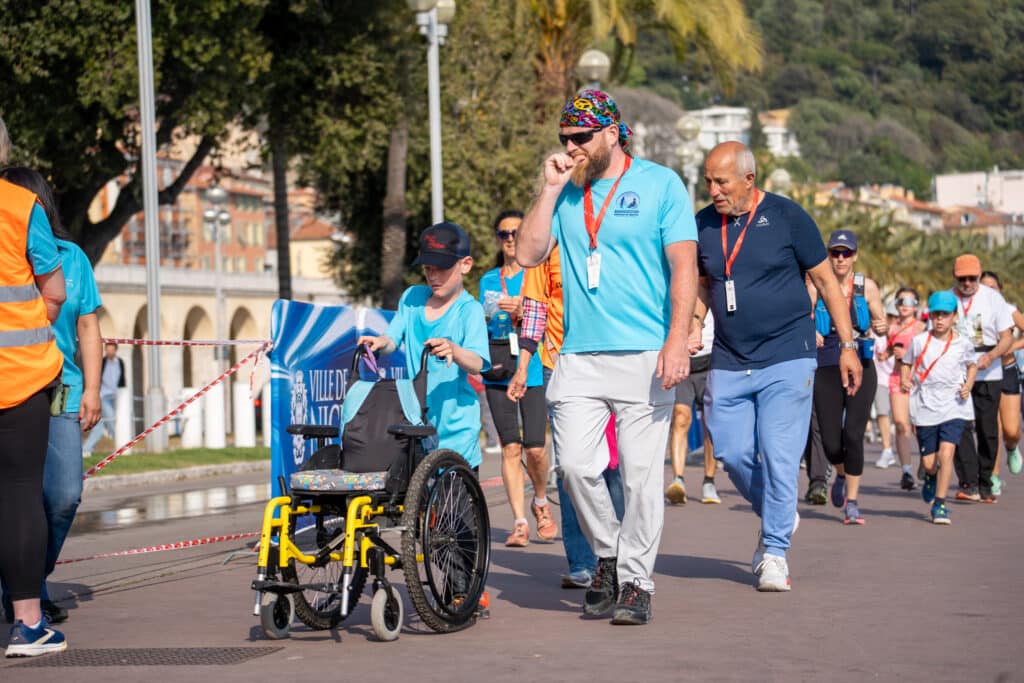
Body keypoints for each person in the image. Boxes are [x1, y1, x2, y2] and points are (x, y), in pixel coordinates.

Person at [517, 89, 698, 625]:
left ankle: (636, 582)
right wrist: (548, 190)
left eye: (581, 137)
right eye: (565, 138)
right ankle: (609, 556)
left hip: (646, 351)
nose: (571, 146)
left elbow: (684, 267)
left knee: (642, 477)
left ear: (612, 134)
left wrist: (676, 339)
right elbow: (528, 252)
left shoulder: (662, 184)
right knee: (573, 468)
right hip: (579, 353)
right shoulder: (567, 194)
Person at [693, 141, 862, 592]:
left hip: (789, 353)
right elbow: (704, 285)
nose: (713, 190)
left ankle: (774, 553)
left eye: (721, 181)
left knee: (781, 455)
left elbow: (826, 281)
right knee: (730, 450)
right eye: (708, 180)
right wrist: (693, 323)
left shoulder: (789, 217)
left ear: (749, 179)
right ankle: (780, 512)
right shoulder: (704, 225)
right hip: (729, 357)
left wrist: (847, 345)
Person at [0, 168, 101, 627]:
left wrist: (94, 389)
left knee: (62, 495)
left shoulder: (73, 258)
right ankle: (26, 595)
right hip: (16, 384)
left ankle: (28, 577)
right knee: (19, 492)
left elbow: (87, 326)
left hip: (61, 388)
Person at [508, 243, 625, 588]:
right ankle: (583, 563)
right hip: (558, 364)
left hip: (612, 362)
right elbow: (534, 309)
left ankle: (619, 556)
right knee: (571, 466)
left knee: (611, 465)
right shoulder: (545, 243)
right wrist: (523, 366)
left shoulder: (609, 234)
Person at [0, 157, 69, 656]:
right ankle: (27, 624)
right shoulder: (21, 206)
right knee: (20, 494)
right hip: (17, 375)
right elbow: (54, 292)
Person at [357, 222, 490, 471]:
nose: (433, 276)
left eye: (442, 268)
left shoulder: (469, 310)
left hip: (457, 429)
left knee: (454, 506)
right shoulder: (412, 298)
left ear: (465, 265)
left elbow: (478, 363)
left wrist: (455, 349)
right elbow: (392, 338)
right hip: (417, 423)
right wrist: (379, 343)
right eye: (428, 268)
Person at [479, 210, 553, 546]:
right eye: (503, 233)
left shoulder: (536, 274)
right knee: (511, 447)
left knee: (535, 449)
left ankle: (540, 501)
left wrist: (524, 312)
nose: (509, 239)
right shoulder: (488, 280)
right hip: (497, 365)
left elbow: (549, 316)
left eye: (515, 233)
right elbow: (484, 319)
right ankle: (520, 522)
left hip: (532, 362)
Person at [810, 230, 887, 524]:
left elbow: (881, 324)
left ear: (854, 255)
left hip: (861, 365)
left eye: (846, 253)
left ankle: (852, 502)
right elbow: (804, 316)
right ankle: (840, 473)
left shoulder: (866, 287)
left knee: (853, 434)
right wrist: (812, 330)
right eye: (835, 253)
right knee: (831, 441)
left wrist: (881, 327)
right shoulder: (816, 283)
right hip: (827, 364)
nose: (840, 259)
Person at [899, 291, 977, 524]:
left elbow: (972, 366)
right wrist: (905, 378)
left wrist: (969, 385)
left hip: (954, 405)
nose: (940, 319)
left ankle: (940, 504)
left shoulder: (963, 343)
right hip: (925, 407)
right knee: (930, 463)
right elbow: (906, 363)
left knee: (947, 453)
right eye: (936, 315)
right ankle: (930, 478)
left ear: (954, 316)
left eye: (945, 314)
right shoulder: (920, 341)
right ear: (930, 316)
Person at [949, 254, 1013, 503]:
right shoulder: (948, 297)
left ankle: (986, 481)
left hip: (988, 368)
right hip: (958, 370)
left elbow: (1007, 336)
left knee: (987, 430)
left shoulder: (993, 298)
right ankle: (968, 482)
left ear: (979, 275)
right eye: (962, 279)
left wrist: (992, 355)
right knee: (959, 426)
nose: (967, 283)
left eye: (972, 278)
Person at [665, 312, 720, 505]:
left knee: (710, 423)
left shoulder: (710, 282)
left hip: (710, 358)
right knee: (680, 417)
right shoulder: (674, 284)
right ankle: (678, 479)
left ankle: (709, 481)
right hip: (682, 360)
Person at [979, 271, 1024, 492]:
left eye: (992, 287)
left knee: (1011, 429)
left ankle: (1013, 447)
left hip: (1007, 370)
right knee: (991, 428)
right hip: (986, 373)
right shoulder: (975, 312)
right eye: (984, 287)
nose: (988, 292)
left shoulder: (1009, 310)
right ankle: (993, 477)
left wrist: (1010, 347)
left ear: (1000, 290)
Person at [878, 287, 926, 490]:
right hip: (897, 378)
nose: (904, 305)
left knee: (920, 427)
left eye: (909, 301)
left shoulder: (922, 328)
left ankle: (927, 462)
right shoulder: (892, 327)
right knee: (900, 423)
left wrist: (907, 353)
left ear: (916, 305)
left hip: (918, 380)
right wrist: (885, 354)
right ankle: (906, 471)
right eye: (901, 300)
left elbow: (927, 353)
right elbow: (889, 350)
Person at [82, 341, 124, 456]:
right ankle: (122, 447)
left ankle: (86, 448)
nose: (110, 351)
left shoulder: (120, 362)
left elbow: (122, 379)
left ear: (115, 350)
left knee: (98, 427)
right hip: (103, 396)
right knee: (111, 421)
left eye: (112, 349)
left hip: (115, 396)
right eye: (108, 349)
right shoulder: (102, 362)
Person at [871, 300, 899, 468]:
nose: (892, 320)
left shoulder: (905, 334)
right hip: (881, 379)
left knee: (902, 422)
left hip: (899, 379)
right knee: (882, 413)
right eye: (890, 316)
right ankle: (887, 450)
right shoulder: (874, 333)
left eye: (896, 317)